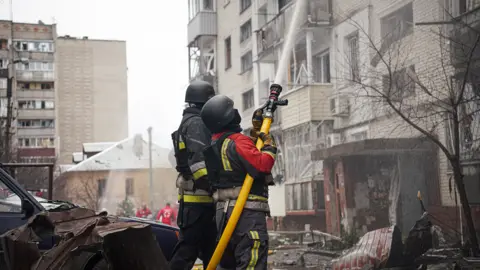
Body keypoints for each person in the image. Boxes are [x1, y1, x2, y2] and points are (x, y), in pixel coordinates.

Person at [201, 95, 277, 270]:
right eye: (232, 110)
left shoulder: (215, 144)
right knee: (252, 261)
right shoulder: (237, 141)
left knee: (229, 263)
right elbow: (261, 165)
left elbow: (243, 158)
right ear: (227, 117)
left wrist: (256, 131)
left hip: (223, 214)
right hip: (246, 214)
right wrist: (269, 145)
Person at [168, 80, 218, 270]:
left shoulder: (188, 121)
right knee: (187, 253)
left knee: (210, 252)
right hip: (199, 204)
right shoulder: (197, 123)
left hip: (197, 205)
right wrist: (215, 186)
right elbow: (199, 166)